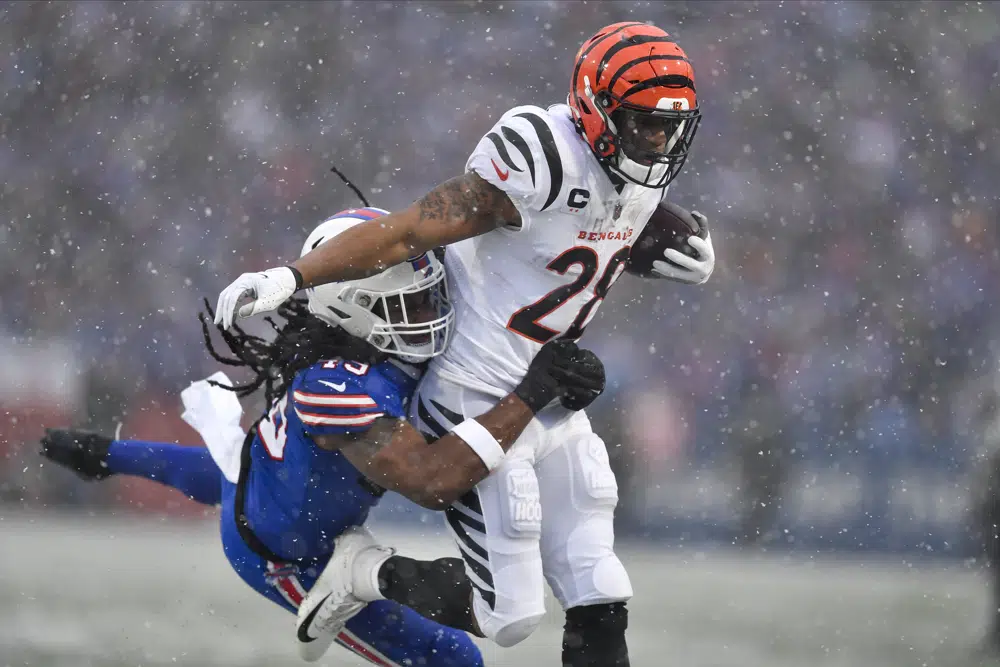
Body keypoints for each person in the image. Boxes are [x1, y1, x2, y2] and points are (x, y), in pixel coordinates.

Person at [214, 22, 715, 667]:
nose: (659, 141)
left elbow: (576, 241)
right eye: (645, 122)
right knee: (509, 617)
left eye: (670, 125)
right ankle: (362, 575)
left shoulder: (637, 169)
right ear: (595, 109)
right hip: (476, 396)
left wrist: (646, 243)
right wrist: (292, 276)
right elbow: (409, 232)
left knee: (600, 586)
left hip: (551, 394)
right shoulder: (541, 154)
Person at [41, 208, 607, 665]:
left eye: (432, 296)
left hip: (270, 494)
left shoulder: (382, 353)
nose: (431, 314)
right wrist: (531, 395)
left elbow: (229, 474)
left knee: (241, 479)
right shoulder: (333, 388)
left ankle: (368, 568)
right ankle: (362, 572)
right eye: (411, 303)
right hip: (284, 558)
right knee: (454, 656)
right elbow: (433, 481)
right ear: (351, 309)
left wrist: (559, 381)